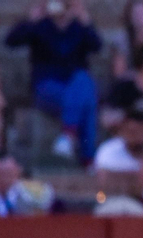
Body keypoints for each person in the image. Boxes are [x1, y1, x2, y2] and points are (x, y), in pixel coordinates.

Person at [6, 0, 103, 164]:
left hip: (75, 85)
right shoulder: (41, 25)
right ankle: (87, 158)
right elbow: (11, 41)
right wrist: (31, 20)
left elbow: (97, 46)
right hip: (46, 87)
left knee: (83, 80)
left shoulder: (79, 27)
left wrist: (85, 20)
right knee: (87, 99)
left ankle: (67, 135)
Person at [113, 0, 143, 79]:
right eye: (138, 14)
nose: (141, 18)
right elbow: (119, 74)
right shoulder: (122, 40)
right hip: (129, 86)